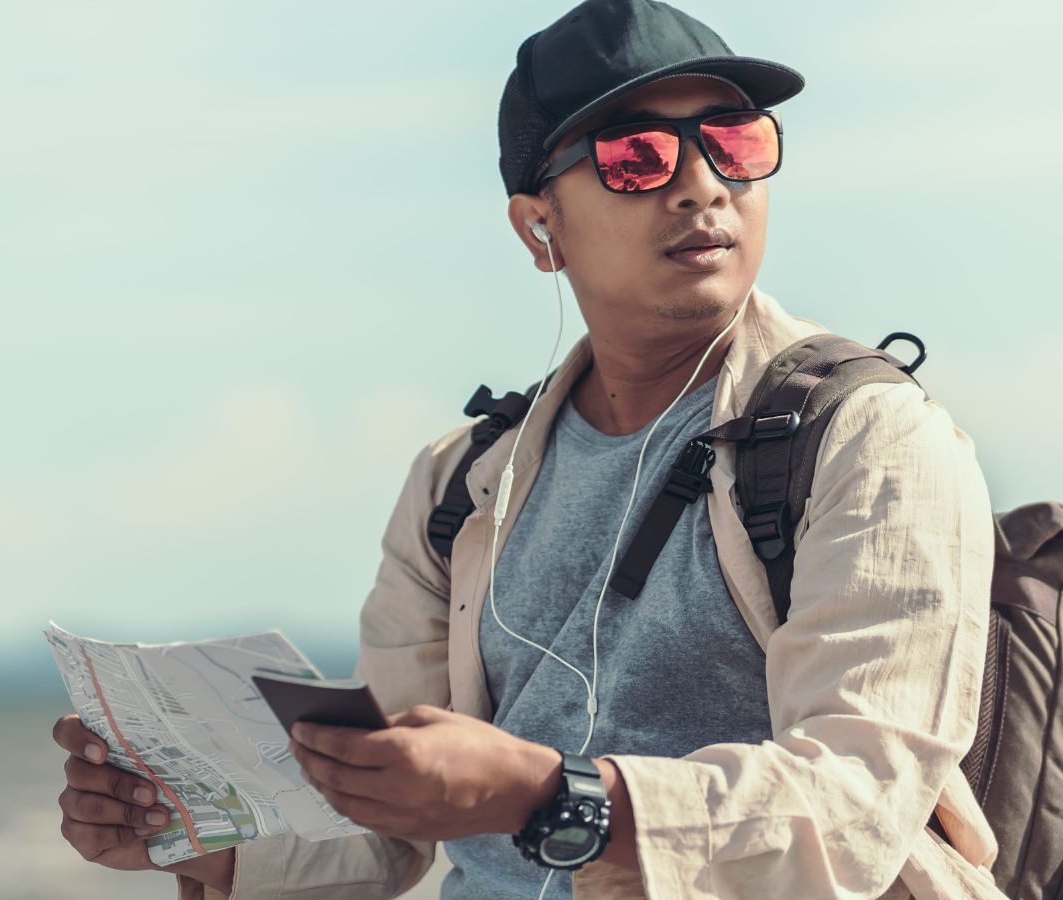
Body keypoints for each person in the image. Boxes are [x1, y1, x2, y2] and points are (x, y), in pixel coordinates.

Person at [51, 1, 1007, 897]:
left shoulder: (866, 436)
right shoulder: (462, 484)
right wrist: (205, 840)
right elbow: (390, 826)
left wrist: (554, 796)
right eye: (638, 155)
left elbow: (858, 801)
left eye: (733, 140)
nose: (703, 186)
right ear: (538, 227)